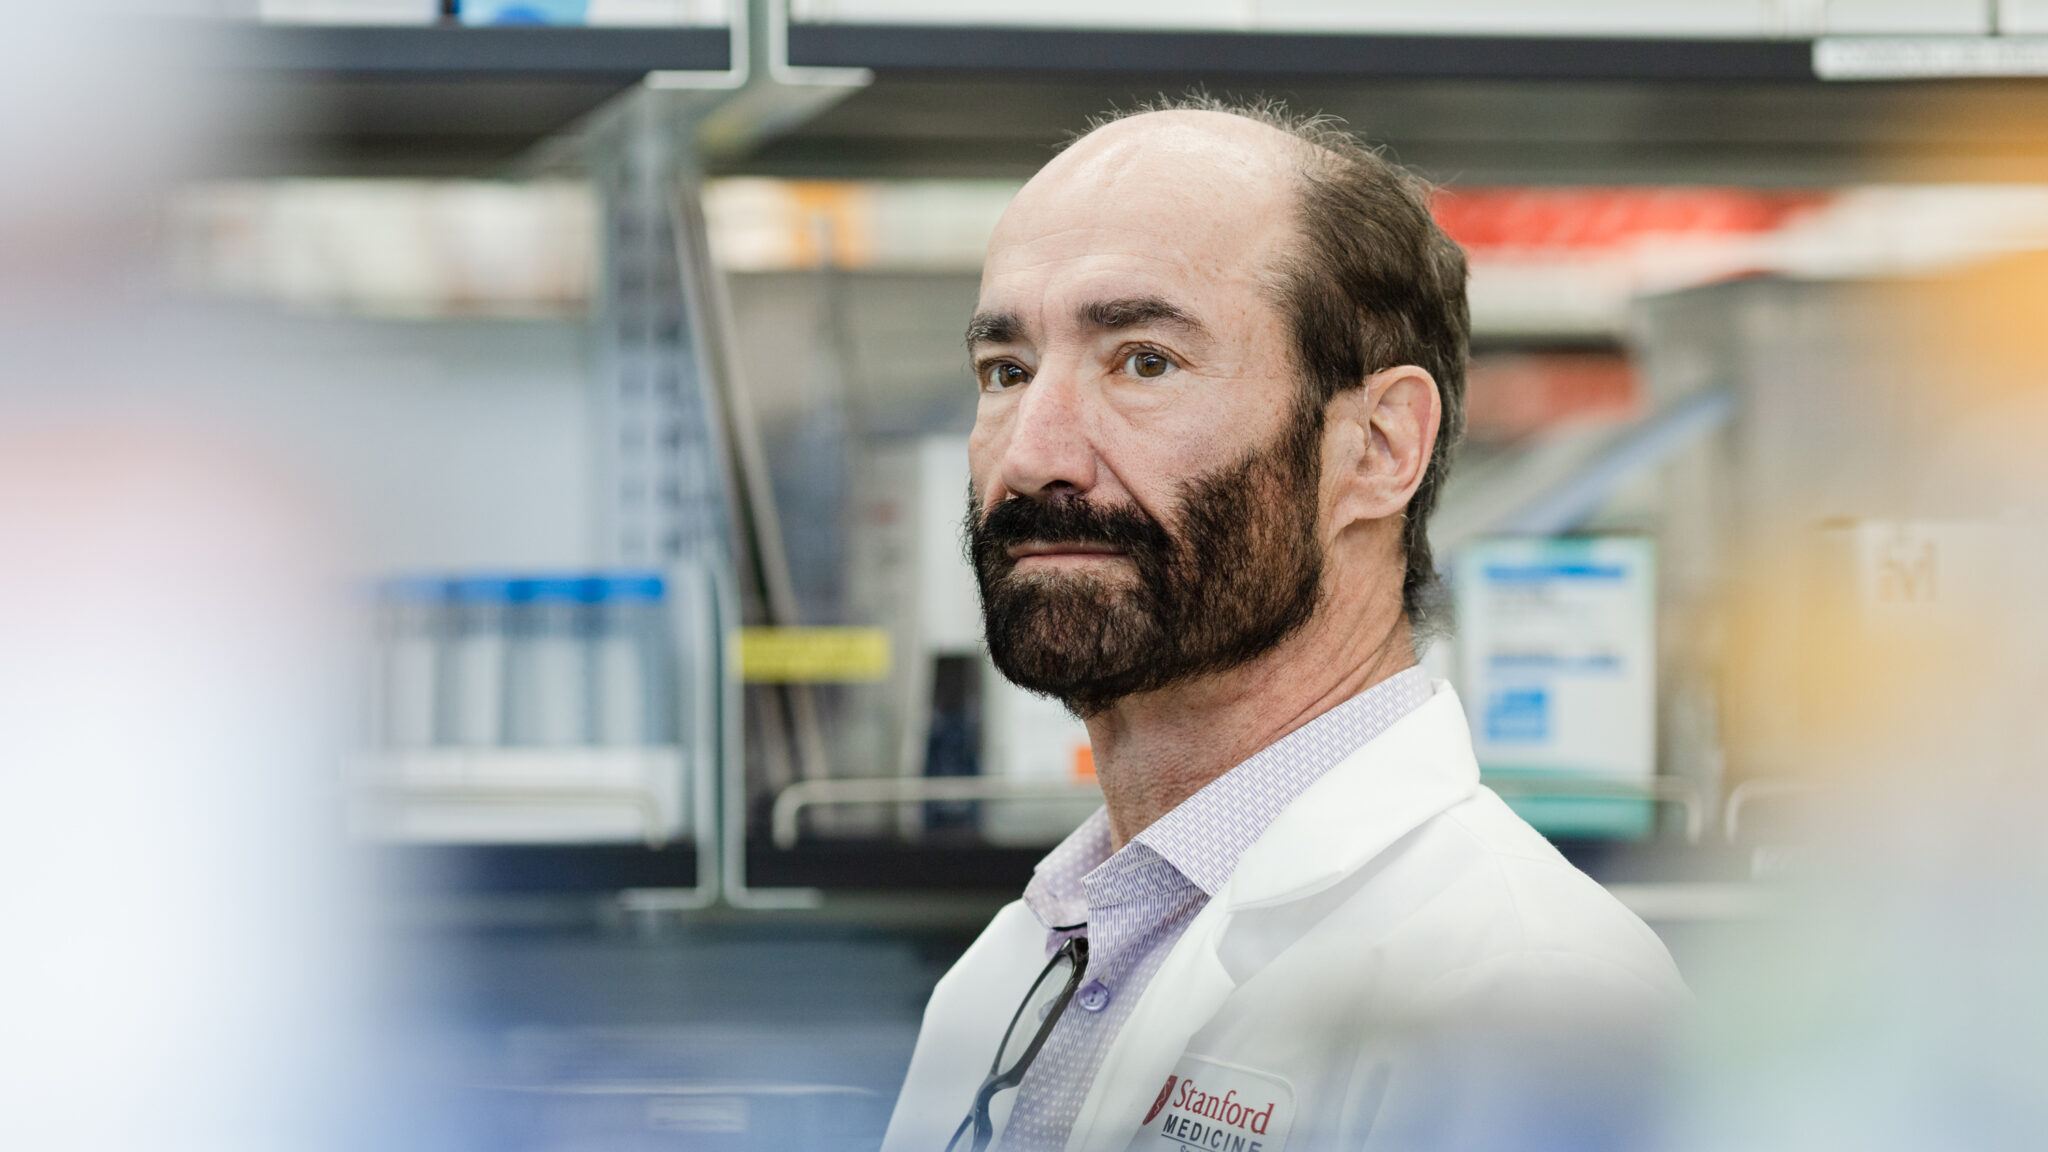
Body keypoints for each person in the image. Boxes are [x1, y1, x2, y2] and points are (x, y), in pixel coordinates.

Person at [882, 97, 1686, 1152]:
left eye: (1142, 361)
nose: (1032, 456)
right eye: (1008, 371)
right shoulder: (1011, 969)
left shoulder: (1536, 998)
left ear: (1378, 447)